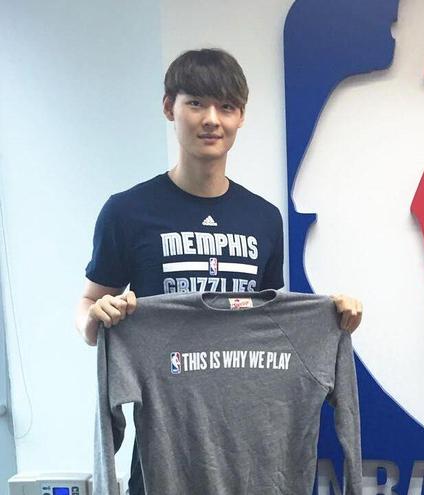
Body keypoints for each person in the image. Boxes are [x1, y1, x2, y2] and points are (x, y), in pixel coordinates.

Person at [74, 48, 363, 495]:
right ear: (169, 107)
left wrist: (331, 316)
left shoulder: (263, 219)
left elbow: (271, 323)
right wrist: (95, 318)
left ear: (240, 117)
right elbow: (88, 305)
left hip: (254, 464)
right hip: (164, 461)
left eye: (226, 107)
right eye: (196, 103)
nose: (212, 120)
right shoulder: (127, 212)